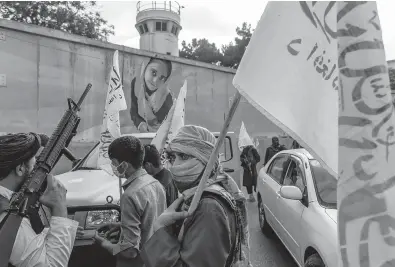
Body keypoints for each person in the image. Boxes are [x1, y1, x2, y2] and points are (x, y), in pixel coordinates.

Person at [141, 125, 252, 267]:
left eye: (184, 156)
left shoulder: (209, 207)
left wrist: (160, 229)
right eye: (173, 157)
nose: (175, 165)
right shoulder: (200, 195)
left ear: (205, 159)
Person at [0, 132, 78, 267]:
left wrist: (55, 231)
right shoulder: (10, 221)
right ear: (20, 168)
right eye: (34, 164)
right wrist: (59, 208)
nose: (36, 170)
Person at [93, 136, 166, 267]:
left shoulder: (130, 194)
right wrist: (122, 225)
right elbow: (149, 223)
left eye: (114, 163)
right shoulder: (156, 184)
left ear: (124, 165)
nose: (113, 167)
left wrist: (103, 243)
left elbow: (130, 250)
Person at [130, 58, 174, 132]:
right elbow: (133, 111)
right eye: (153, 73)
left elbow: (168, 125)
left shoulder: (166, 97)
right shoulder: (137, 84)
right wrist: (140, 124)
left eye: (162, 78)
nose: (155, 81)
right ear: (145, 67)